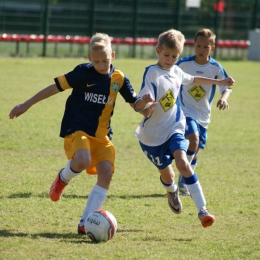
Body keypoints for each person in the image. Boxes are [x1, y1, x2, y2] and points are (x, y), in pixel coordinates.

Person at [9, 32, 152, 235]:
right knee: (82, 160)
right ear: (89, 58)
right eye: (96, 61)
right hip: (77, 129)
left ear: (113, 55)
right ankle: (63, 178)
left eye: (105, 60)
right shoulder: (82, 73)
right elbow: (54, 88)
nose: (101, 65)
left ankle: (86, 222)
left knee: (106, 173)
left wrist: (145, 106)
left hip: (102, 135)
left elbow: (134, 103)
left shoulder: (119, 78)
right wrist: (26, 104)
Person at [133, 29, 235, 228]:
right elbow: (138, 105)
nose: (170, 60)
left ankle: (202, 210)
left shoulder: (177, 71)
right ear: (158, 51)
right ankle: (171, 190)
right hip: (152, 137)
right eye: (166, 55)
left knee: (182, 161)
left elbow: (193, 80)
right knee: (167, 175)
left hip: (174, 127)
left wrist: (220, 82)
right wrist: (144, 103)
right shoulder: (152, 72)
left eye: (174, 57)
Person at [176, 28, 232, 196]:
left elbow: (226, 86)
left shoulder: (215, 67)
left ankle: (184, 176)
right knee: (193, 140)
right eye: (198, 46)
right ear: (193, 45)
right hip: (185, 111)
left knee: (197, 147)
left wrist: (224, 98)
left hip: (204, 115)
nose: (201, 50)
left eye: (205, 47)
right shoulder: (184, 64)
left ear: (212, 48)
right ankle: (185, 178)